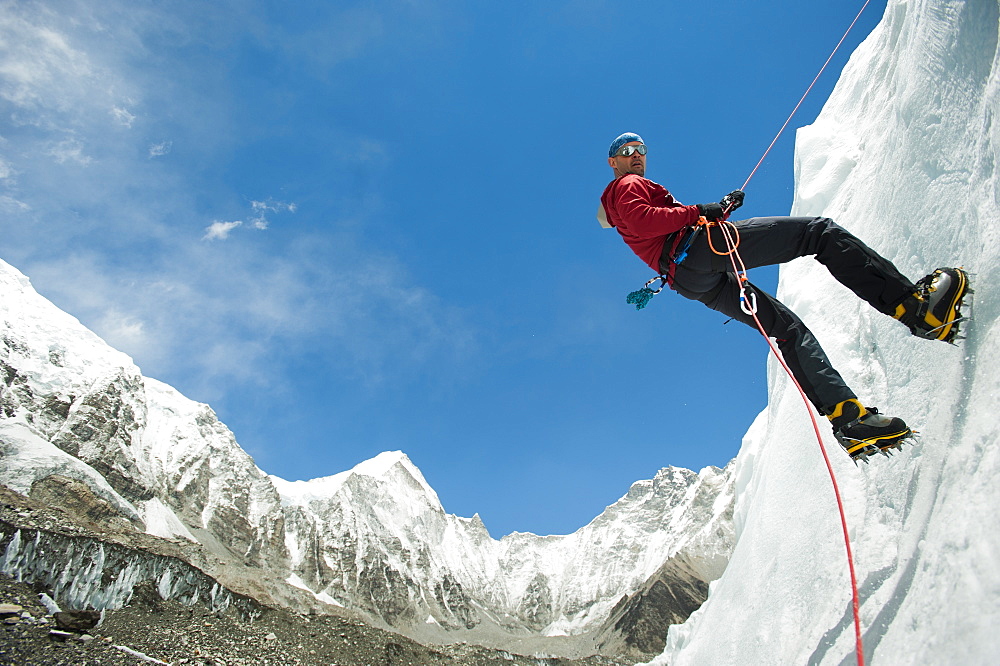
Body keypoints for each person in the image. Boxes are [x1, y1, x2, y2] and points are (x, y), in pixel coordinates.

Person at [599, 132, 971, 461]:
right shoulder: (627, 184)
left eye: (641, 148)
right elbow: (646, 219)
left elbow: (649, 225)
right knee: (818, 234)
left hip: (690, 278)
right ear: (613, 162)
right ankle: (917, 309)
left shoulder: (621, 198)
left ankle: (849, 419)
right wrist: (701, 211)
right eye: (626, 150)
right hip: (700, 250)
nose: (636, 154)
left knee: (787, 329)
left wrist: (717, 210)